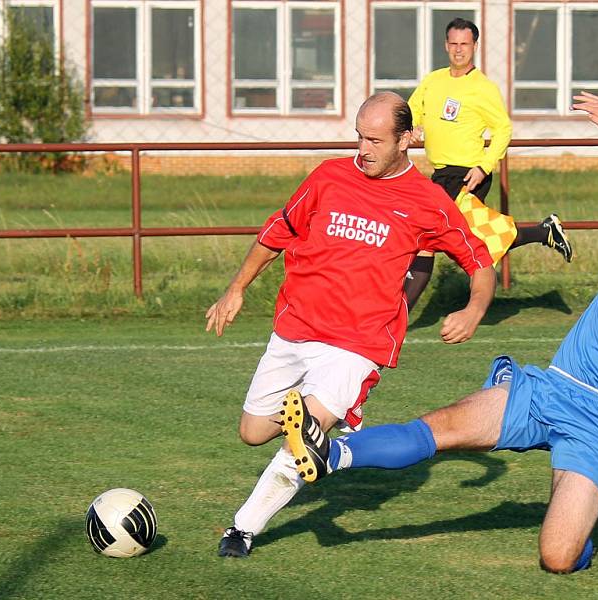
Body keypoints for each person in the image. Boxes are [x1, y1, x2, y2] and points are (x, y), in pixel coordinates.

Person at [281, 92, 598, 573]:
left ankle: (577, 530)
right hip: (551, 387)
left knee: (557, 557)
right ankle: (332, 452)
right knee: (442, 428)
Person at [205, 92, 496, 558]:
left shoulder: (427, 201)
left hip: (356, 344)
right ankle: (325, 430)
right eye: (360, 136)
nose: (364, 149)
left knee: (304, 436)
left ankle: (242, 529)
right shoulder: (329, 176)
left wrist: (475, 309)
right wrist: (236, 287)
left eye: (376, 140)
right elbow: (278, 230)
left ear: (406, 139)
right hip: (296, 326)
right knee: (253, 431)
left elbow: (480, 261)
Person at [404, 17, 572, 307]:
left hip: (467, 174)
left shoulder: (483, 88)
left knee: (424, 237)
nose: (458, 50)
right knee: (464, 238)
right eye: (453, 44)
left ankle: (398, 313)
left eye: (464, 44)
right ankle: (544, 232)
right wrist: (412, 127)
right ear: (446, 45)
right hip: (440, 175)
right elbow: (411, 110)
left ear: (475, 47)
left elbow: (503, 129)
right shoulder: (433, 81)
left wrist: (483, 166)